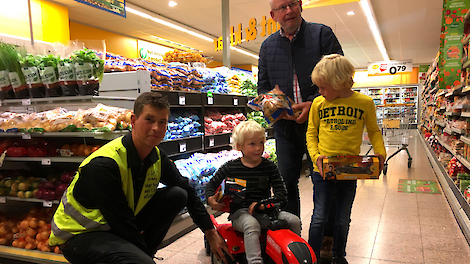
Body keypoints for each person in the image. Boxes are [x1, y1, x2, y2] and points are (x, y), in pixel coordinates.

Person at [49, 92, 232, 264]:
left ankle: (144, 254)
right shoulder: (105, 164)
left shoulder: (157, 157)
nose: (156, 128)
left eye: (162, 122)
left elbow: (187, 190)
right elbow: (123, 223)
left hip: (112, 226)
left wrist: (209, 231)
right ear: (134, 121)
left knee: (178, 194)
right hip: (79, 235)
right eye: (149, 120)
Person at [258, 0, 343, 217]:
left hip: (322, 124)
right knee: (285, 182)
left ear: (301, 5)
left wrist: (313, 103)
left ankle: (325, 237)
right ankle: (291, 235)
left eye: (292, 4)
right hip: (285, 128)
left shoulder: (322, 34)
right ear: (273, 15)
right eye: (282, 8)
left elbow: (339, 76)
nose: (288, 11)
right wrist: (277, 108)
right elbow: (263, 88)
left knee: (323, 178)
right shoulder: (267, 47)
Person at [306, 54, 386, 264]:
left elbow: (374, 131)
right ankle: (311, 256)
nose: (320, 92)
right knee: (319, 216)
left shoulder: (365, 103)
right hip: (321, 169)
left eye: (323, 87)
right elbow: (311, 133)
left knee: (342, 218)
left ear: (338, 82)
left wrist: (380, 152)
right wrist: (315, 158)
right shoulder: (318, 104)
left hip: (349, 169)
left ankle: (339, 255)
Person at [205, 120, 301, 264]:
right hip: (240, 213)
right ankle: (255, 261)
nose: (258, 148)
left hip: (266, 211)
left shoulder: (269, 167)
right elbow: (211, 185)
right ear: (239, 146)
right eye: (252, 144)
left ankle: (293, 256)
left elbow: (281, 194)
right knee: (251, 224)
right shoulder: (230, 167)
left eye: (261, 143)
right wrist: (210, 199)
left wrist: (265, 204)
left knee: (294, 220)